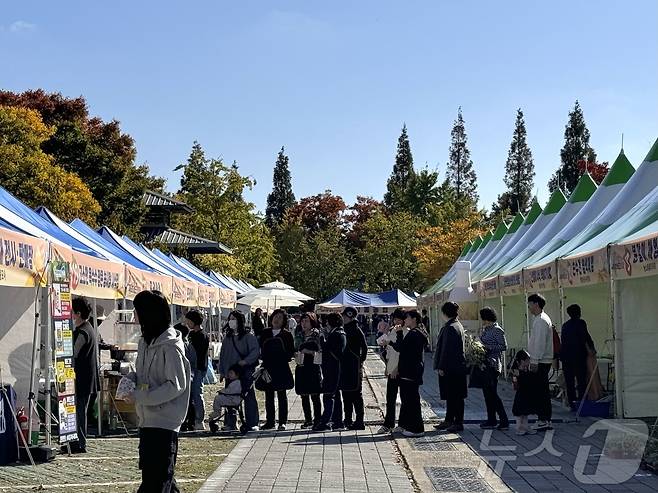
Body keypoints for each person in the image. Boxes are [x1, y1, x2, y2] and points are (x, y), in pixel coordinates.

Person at [128, 290, 191, 493]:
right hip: (146, 419)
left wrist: (141, 396)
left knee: (156, 482)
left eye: (137, 311)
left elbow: (176, 385)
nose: (134, 315)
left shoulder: (171, 347)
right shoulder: (144, 342)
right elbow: (144, 375)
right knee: (161, 480)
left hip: (165, 422)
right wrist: (130, 380)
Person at [218, 311, 260, 431]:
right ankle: (230, 423)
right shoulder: (228, 337)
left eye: (234, 319)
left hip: (245, 371)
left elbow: (255, 351)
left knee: (248, 396)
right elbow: (223, 355)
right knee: (230, 397)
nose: (231, 321)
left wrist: (246, 361)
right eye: (230, 319)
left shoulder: (248, 336)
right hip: (230, 373)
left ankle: (252, 422)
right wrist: (222, 371)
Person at [389, 310, 428, 437]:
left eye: (407, 318)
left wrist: (399, 333)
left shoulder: (415, 334)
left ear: (414, 319)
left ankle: (416, 428)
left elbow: (401, 348)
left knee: (412, 401)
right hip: (410, 371)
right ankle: (405, 424)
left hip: (410, 371)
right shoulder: (416, 333)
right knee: (407, 400)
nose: (405, 320)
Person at [69, 296, 100, 453]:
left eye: (72, 311)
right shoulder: (89, 328)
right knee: (80, 411)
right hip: (87, 378)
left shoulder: (83, 331)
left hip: (83, 378)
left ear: (78, 313)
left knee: (80, 411)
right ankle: (77, 442)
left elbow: (74, 353)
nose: (70, 314)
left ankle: (80, 443)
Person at [433, 302, 467, 433]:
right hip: (456, 367)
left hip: (451, 368)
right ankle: (449, 419)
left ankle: (457, 422)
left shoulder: (451, 327)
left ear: (445, 313)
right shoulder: (456, 325)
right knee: (452, 396)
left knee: (455, 396)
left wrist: (441, 366)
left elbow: (447, 349)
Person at [260, 309, 295, 430]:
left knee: (282, 394)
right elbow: (260, 349)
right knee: (268, 395)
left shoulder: (287, 334)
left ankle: (282, 422)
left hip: (281, 368)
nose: (277, 319)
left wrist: (282, 356)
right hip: (268, 367)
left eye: (280, 317)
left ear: (284, 321)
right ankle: (270, 421)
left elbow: (291, 351)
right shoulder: (265, 332)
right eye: (275, 316)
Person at [376, 308, 407, 433]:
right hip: (390, 367)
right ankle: (388, 423)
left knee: (404, 399)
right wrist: (387, 367)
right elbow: (389, 351)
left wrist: (396, 369)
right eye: (395, 319)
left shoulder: (405, 332)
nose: (396, 321)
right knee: (390, 398)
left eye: (399, 319)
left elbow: (403, 353)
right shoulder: (391, 330)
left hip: (400, 369)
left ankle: (402, 423)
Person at [314, 313, 347, 431]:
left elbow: (327, 347)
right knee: (335, 395)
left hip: (332, 368)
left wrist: (322, 338)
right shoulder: (341, 333)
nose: (326, 324)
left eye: (327, 321)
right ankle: (337, 421)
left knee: (328, 395)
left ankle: (326, 422)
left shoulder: (336, 334)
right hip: (336, 367)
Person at [478, 307, 509, 431]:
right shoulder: (486, 330)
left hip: (493, 365)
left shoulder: (497, 330)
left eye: (483, 318)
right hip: (485, 365)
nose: (482, 321)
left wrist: (487, 347)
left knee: (493, 394)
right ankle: (491, 419)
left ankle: (504, 420)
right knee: (487, 394)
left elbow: (503, 346)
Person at [527, 293, 554, 431]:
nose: (529, 307)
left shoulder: (541, 320)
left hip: (541, 361)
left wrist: (534, 360)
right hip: (541, 360)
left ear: (536, 304)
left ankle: (543, 419)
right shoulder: (539, 319)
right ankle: (544, 419)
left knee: (541, 391)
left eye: (530, 304)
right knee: (541, 390)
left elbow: (539, 343)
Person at [560, 304, 596, 406]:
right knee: (581, 380)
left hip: (566, 357)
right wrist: (592, 349)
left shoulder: (565, 325)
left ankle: (572, 403)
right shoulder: (581, 323)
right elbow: (586, 337)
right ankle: (582, 402)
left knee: (569, 382)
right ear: (579, 312)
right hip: (578, 356)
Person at [340, 307, 368, 430]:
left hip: (354, 366)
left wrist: (360, 360)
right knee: (345, 394)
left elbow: (365, 347)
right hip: (344, 366)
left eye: (345, 316)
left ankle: (359, 420)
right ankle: (347, 419)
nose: (343, 318)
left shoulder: (356, 329)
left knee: (356, 394)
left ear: (351, 316)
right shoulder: (342, 329)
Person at [295, 313, 323, 428]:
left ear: (312, 322)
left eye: (306, 321)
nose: (304, 324)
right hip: (301, 365)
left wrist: (309, 352)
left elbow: (320, 351)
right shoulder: (298, 334)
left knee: (315, 395)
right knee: (304, 394)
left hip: (313, 365)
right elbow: (295, 347)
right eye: (302, 321)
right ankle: (308, 419)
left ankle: (317, 419)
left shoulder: (317, 334)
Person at [185, 310, 209, 430]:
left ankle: (200, 420)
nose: (187, 323)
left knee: (197, 394)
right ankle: (192, 419)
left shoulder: (202, 336)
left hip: (198, 368)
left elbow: (199, 355)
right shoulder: (190, 335)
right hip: (191, 368)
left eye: (188, 320)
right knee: (191, 395)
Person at [177, 323, 198, 432]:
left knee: (185, 401)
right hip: (190, 375)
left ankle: (185, 422)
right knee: (190, 400)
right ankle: (191, 422)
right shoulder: (189, 345)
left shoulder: (181, 345)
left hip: (184, 376)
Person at [511, 350, 537, 436]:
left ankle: (525, 427)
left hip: (526, 394)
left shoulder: (526, 371)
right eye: (527, 360)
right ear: (522, 361)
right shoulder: (518, 372)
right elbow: (516, 384)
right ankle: (519, 428)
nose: (529, 362)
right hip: (521, 394)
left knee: (525, 413)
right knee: (520, 413)